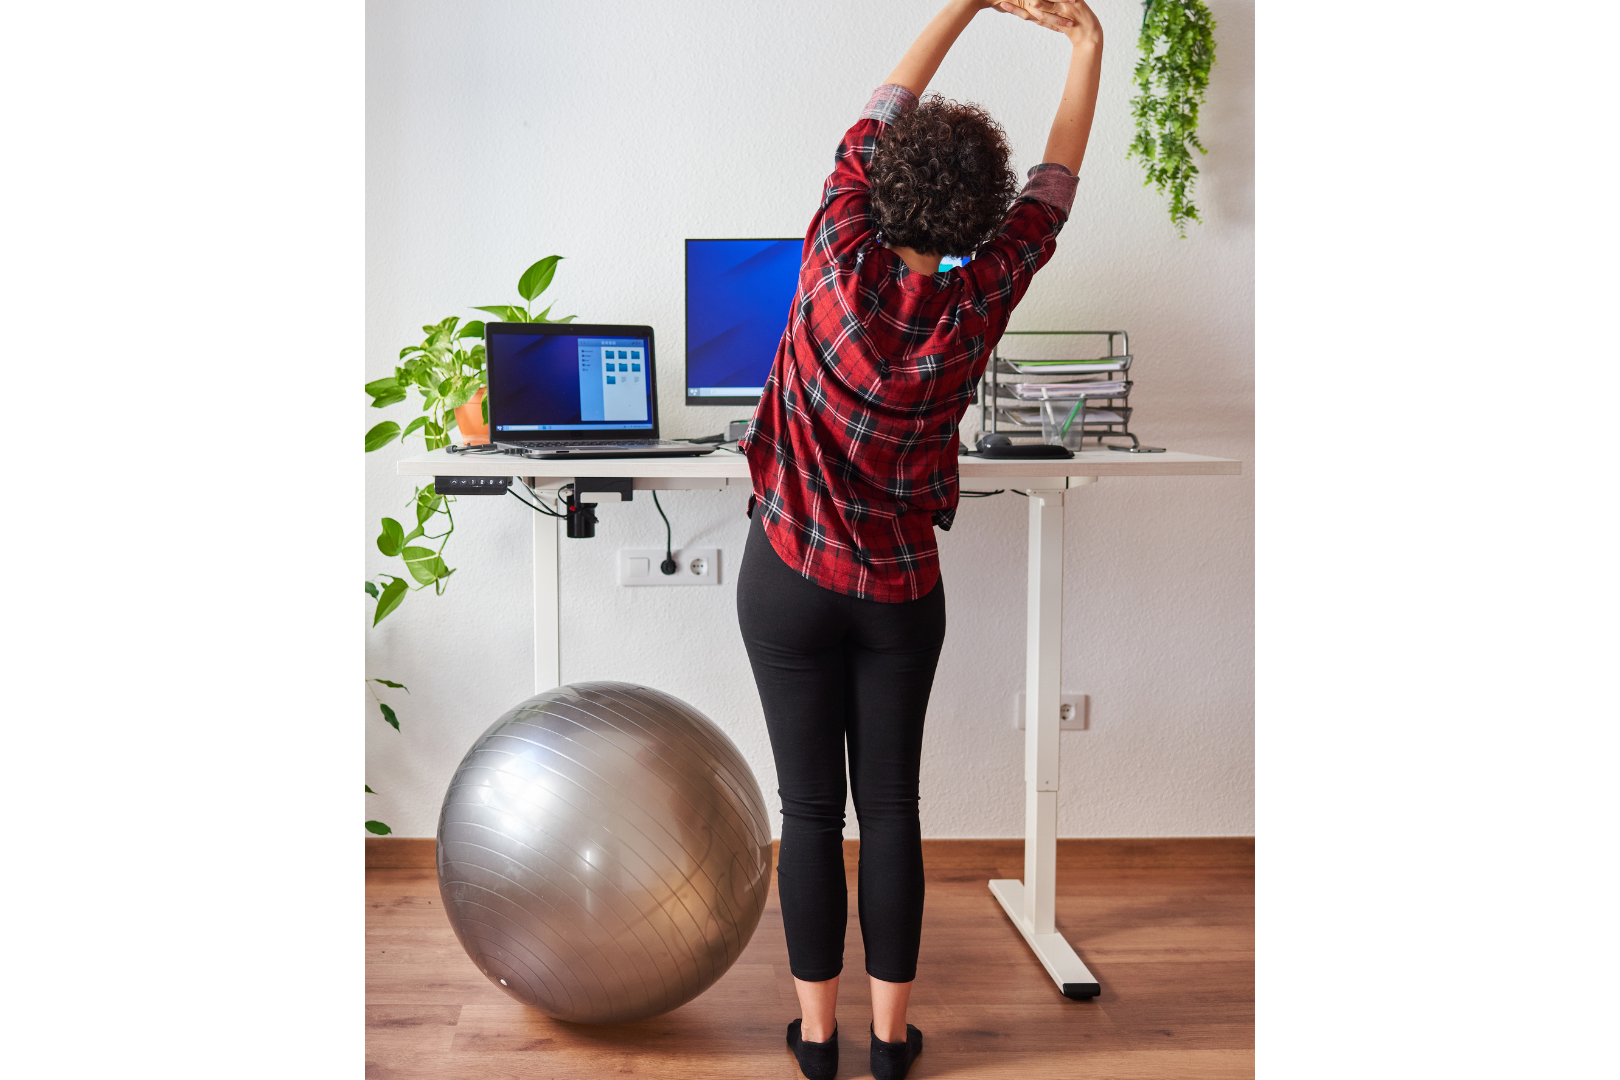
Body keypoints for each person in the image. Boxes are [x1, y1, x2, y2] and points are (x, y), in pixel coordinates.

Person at [735, 2, 1103, 1077]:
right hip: (899, 592)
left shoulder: (833, 244)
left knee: (809, 809)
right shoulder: (981, 295)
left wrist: (965, 2)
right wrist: (1086, 44)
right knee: (890, 806)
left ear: (878, 178)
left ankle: (815, 1036)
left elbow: (880, 104)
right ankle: (891, 1044)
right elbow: (1055, 190)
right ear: (978, 220)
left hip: (788, 576)